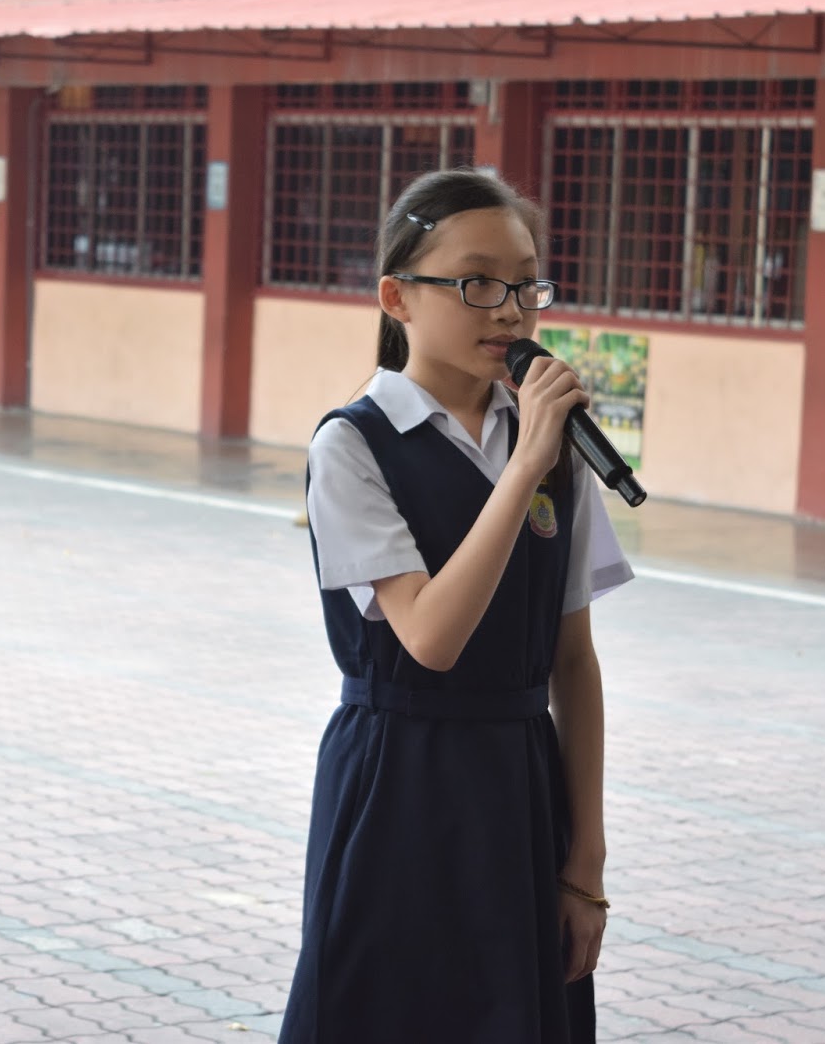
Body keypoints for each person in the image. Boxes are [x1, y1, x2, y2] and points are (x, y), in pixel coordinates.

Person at [279, 168, 635, 1044]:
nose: (509, 311)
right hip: (399, 784)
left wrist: (585, 864)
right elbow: (431, 637)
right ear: (397, 297)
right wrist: (525, 467)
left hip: (519, 786)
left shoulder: (554, 448)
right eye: (477, 283)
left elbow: (574, 660)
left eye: (526, 284)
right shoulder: (353, 445)